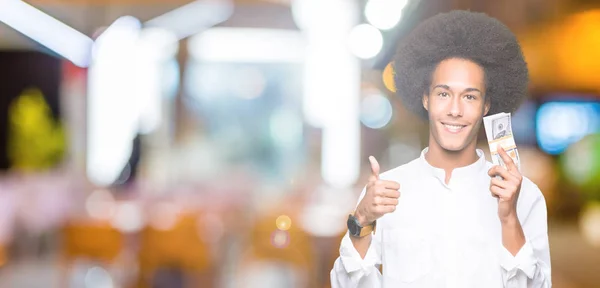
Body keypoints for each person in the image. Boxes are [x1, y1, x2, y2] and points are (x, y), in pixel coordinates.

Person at [330, 10, 551, 288]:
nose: (455, 110)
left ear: (486, 106)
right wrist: (361, 220)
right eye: (444, 94)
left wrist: (509, 220)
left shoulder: (525, 196)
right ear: (425, 98)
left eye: (469, 96)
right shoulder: (383, 193)